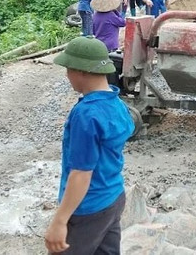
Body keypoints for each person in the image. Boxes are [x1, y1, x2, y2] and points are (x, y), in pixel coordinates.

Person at [44, 36, 134, 254]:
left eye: (68, 70)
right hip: (113, 198)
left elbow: (81, 174)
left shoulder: (85, 114)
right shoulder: (117, 103)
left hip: (88, 208)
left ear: (81, 71)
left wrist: (60, 221)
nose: (67, 76)